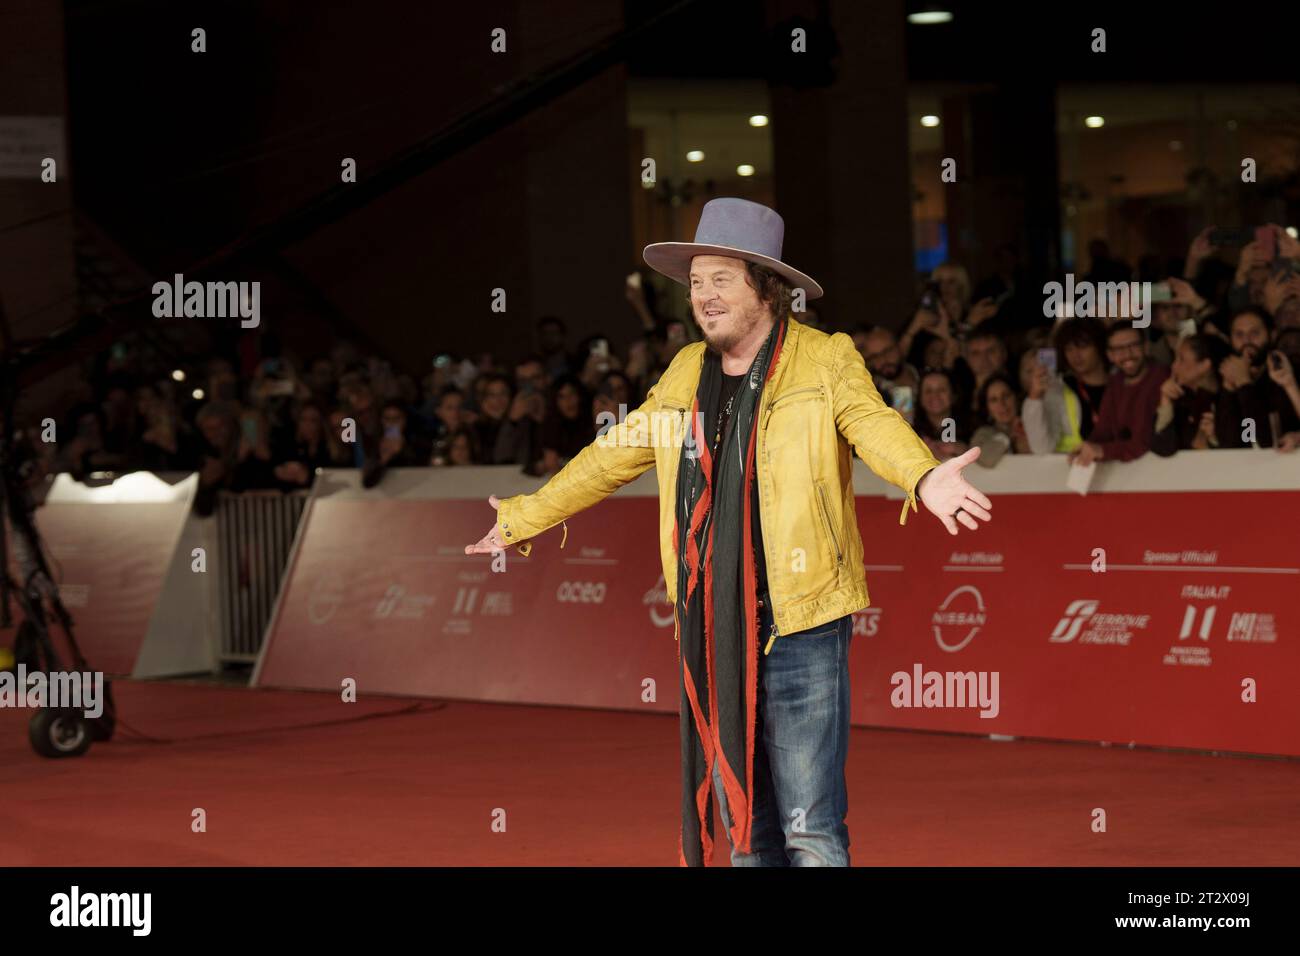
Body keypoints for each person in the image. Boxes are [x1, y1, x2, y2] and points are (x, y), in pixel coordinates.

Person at [464, 198, 992, 867]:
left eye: (721, 280)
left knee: (811, 831)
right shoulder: (686, 371)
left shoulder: (825, 359)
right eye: (696, 283)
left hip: (803, 620)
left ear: (766, 286)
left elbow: (873, 423)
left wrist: (923, 476)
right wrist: (523, 516)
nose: (704, 297)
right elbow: (613, 453)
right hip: (716, 626)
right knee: (746, 832)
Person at [1070, 321, 1170, 466]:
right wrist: (1086, 448)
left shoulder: (1162, 379)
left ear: (1146, 347)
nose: (1127, 355)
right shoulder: (1116, 381)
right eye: (1118, 349)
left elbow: (1143, 443)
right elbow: (1103, 429)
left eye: (1133, 346)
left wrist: (1102, 450)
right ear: (1109, 355)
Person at [1150, 334, 1233, 455]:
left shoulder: (1229, 401)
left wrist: (1214, 438)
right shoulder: (1181, 402)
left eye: (1181, 359)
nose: (1174, 366)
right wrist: (1166, 401)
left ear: (1204, 365)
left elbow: (1245, 447)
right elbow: (1163, 448)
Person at [970, 373, 1030, 466]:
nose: (1001, 404)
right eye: (994, 400)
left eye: (1006, 396)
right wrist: (1009, 436)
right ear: (987, 408)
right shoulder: (982, 435)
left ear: (1016, 398)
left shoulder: (1034, 425)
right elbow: (985, 459)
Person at [912, 368, 971, 460]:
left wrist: (964, 450)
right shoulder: (910, 431)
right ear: (920, 398)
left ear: (953, 395)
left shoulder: (972, 426)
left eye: (942, 390)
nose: (935, 395)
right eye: (928, 391)